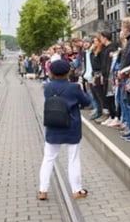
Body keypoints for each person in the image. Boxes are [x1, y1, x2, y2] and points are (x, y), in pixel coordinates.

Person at [37, 59, 92, 201]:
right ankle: (76, 190)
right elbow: (86, 101)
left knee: (48, 158)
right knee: (73, 158)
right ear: (68, 71)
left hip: (53, 125)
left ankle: (43, 190)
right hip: (71, 126)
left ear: (51, 72)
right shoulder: (74, 87)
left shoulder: (47, 87)